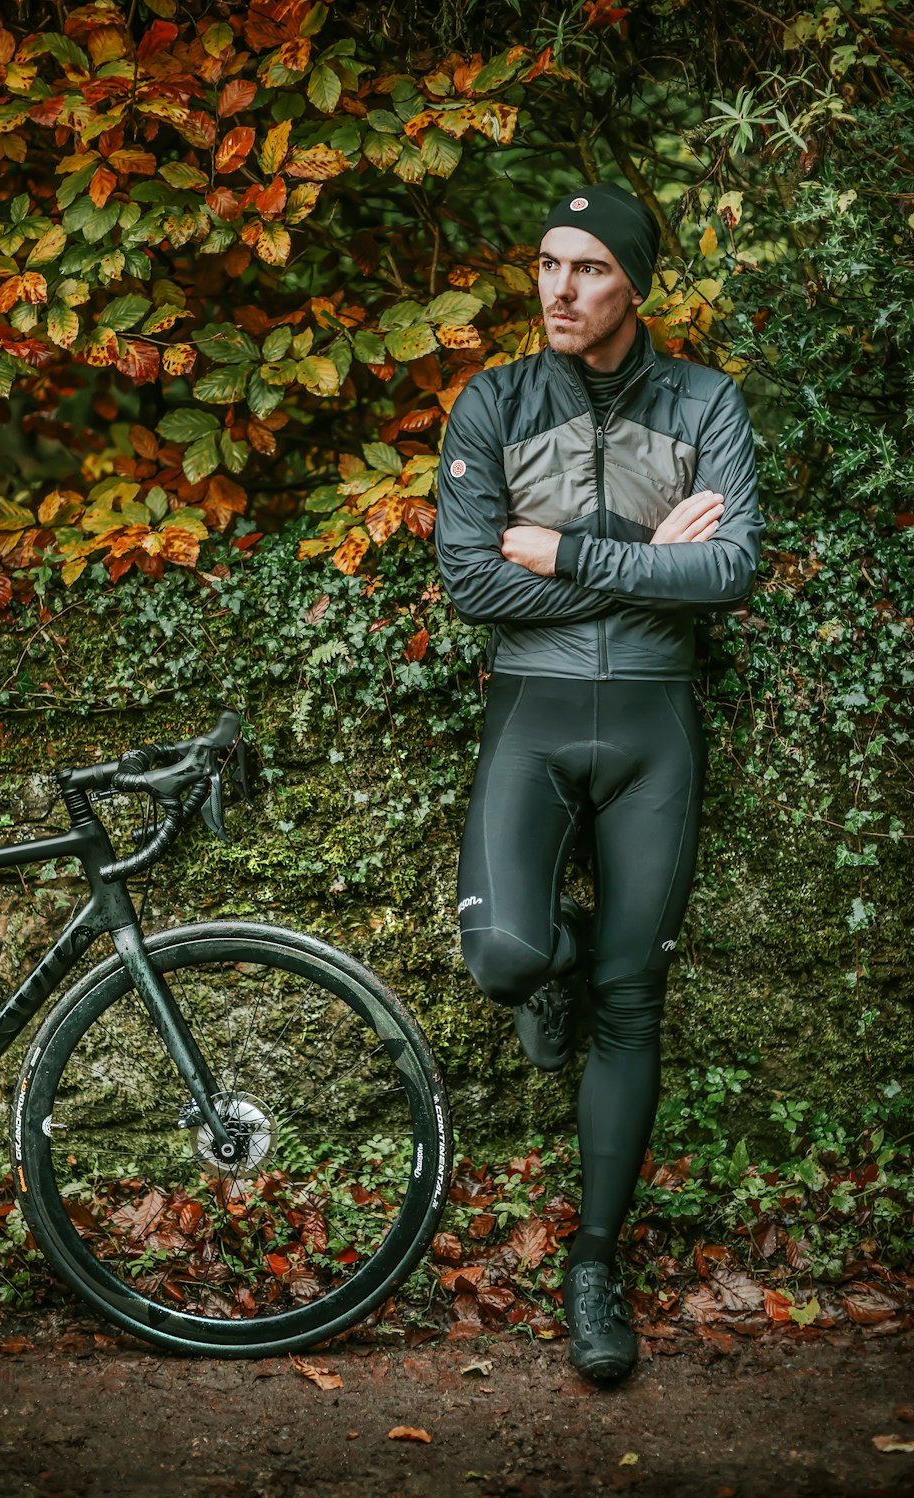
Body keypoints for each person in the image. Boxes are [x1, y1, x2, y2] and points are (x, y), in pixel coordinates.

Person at [434, 182, 763, 1384]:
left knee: (633, 1003)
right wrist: (641, 564)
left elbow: (728, 570)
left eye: (588, 269)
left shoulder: (702, 402)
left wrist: (565, 549)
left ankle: (594, 1263)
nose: (559, 291)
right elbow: (473, 582)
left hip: (653, 727)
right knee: (507, 955)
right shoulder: (494, 400)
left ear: (634, 284)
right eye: (545, 265)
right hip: (530, 707)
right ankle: (555, 955)